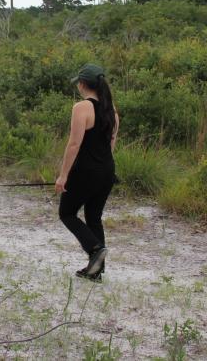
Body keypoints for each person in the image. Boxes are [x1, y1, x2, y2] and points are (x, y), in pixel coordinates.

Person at [55, 63, 119, 282]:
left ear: (82, 84)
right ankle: (96, 271)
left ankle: (94, 250)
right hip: (107, 171)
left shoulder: (81, 107)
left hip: (85, 171)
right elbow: (111, 145)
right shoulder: (112, 112)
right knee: (94, 218)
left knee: (66, 213)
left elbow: (74, 144)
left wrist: (63, 175)